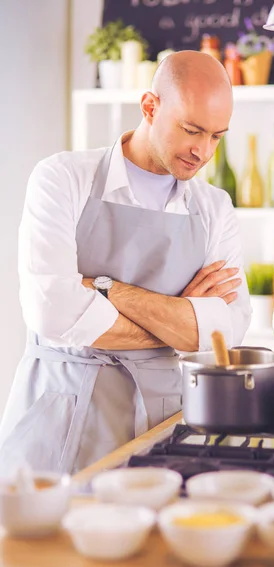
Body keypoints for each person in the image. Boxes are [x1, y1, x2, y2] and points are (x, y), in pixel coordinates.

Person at [0, 50, 251, 475]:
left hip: (162, 417)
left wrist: (103, 288)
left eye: (216, 136)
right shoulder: (62, 178)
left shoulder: (214, 208)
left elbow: (228, 327)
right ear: (150, 107)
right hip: (60, 414)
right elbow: (52, 311)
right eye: (192, 130)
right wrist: (177, 324)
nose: (203, 152)